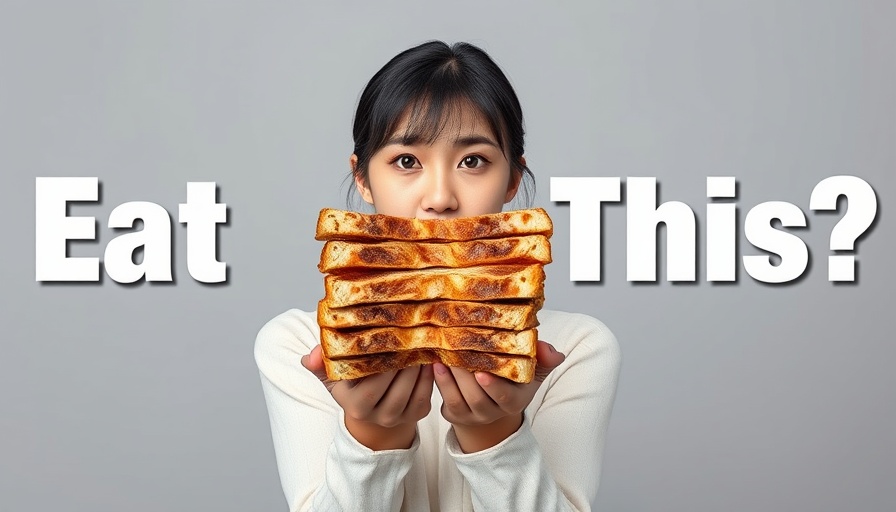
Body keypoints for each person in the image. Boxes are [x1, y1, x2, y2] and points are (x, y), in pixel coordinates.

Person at [255, 40, 621, 511]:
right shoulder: (300, 346)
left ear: (512, 179)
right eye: (407, 161)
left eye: (474, 161)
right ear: (362, 177)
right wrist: (372, 436)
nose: (440, 197)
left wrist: (493, 433)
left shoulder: (576, 350)